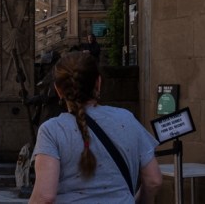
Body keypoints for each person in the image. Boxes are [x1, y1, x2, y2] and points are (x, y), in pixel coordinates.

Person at [29, 52, 162, 203]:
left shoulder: (51, 130)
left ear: (58, 90)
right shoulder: (127, 119)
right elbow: (154, 181)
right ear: (98, 83)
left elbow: (44, 196)